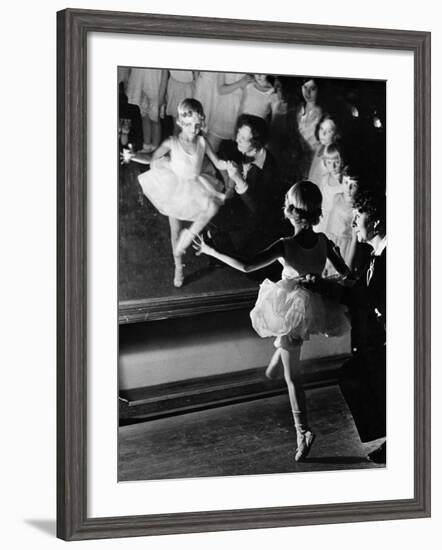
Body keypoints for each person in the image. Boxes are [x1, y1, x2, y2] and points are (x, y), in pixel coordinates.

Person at [193, 181, 351, 461]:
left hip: (293, 310)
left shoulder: (285, 245)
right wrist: (321, 278)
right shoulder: (324, 242)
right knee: (277, 367)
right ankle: (273, 373)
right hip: (310, 306)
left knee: (293, 378)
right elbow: (346, 274)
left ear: (290, 211)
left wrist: (211, 251)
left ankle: (303, 431)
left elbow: (246, 266)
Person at [302, 184, 386, 463]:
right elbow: (359, 287)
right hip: (376, 341)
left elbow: (363, 295)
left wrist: (324, 286)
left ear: (374, 221)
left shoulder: (391, 256)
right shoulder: (374, 255)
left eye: (358, 216)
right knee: (356, 375)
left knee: (364, 376)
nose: (352, 223)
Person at [122, 98, 229, 288]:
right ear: (181, 123)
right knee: (175, 230)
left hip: (196, 184)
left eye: (198, 125)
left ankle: (192, 241)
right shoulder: (172, 142)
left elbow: (217, 161)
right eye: (190, 125)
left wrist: (227, 165)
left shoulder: (203, 141)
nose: (195, 129)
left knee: (210, 209)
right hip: (174, 186)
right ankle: (178, 264)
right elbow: (150, 157)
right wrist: (135, 155)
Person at [208, 114, 285, 256]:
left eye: (243, 139)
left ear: (256, 144)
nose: (237, 139)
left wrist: (238, 180)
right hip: (238, 202)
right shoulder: (240, 149)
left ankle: (227, 254)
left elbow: (257, 209)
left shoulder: (268, 170)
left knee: (214, 217)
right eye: (238, 134)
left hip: (256, 217)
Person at [126, 68, 168, 152]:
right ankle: (146, 145)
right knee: (144, 116)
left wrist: (162, 94)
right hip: (141, 85)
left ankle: (155, 148)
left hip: (156, 86)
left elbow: (165, 73)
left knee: (155, 118)